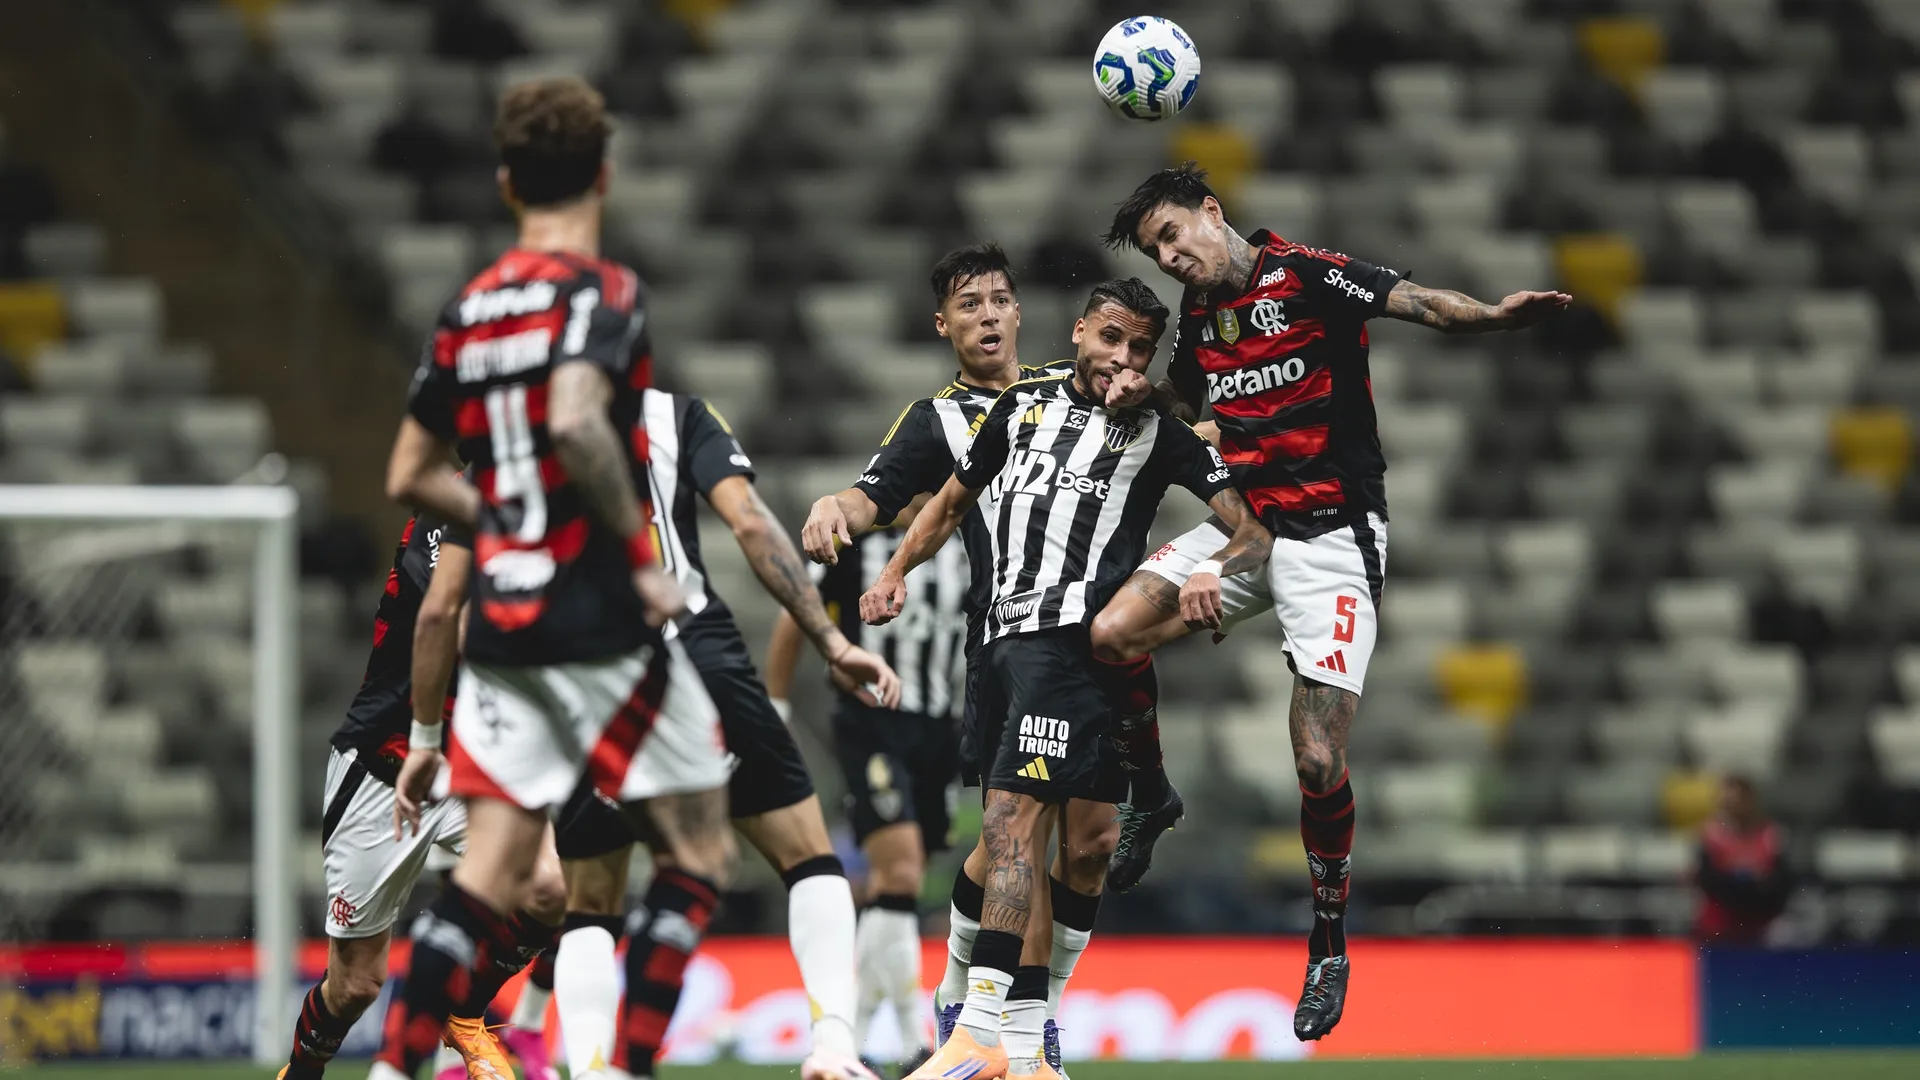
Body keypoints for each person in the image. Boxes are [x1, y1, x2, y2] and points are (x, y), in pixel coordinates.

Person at [1090, 163, 1573, 1039]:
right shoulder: (1199, 322)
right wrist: (1142, 391)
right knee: (1113, 634)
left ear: (1212, 211)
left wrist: (1496, 317)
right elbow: (1192, 412)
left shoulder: (1307, 273)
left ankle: (1327, 944)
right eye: (1158, 252)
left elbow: (1419, 303)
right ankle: (1151, 796)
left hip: (1331, 536)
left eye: (1174, 235)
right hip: (1248, 528)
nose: (1172, 258)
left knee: (1316, 760)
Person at [376, 76, 736, 1080]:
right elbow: (579, 420)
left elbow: (407, 474)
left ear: (505, 182)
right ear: (606, 175)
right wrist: (634, 557)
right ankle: (619, 1070)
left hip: (503, 624)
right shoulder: (604, 291)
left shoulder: (471, 307)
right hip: (596, 617)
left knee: (485, 875)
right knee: (700, 850)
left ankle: (388, 1070)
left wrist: (507, 519)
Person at [862, 279, 1271, 1080]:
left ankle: (989, 1032)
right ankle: (1013, 1044)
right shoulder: (1018, 406)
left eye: (1139, 350)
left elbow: (1252, 529)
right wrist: (897, 571)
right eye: (1110, 338)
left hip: (1070, 648)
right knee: (1067, 842)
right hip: (997, 649)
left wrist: (1214, 573)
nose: (1121, 359)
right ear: (1079, 330)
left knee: (1028, 829)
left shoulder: (1163, 431)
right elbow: (948, 502)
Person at [800, 245, 1159, 1075]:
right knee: (1018, 838)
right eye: (970, 305)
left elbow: (1170, 428)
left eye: (1000, 299)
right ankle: (1005, 1027)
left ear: (1024, 314)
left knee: (1093, 841)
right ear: (944, 325)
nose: (989, 315)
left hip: (1096, 645)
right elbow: (876, 494)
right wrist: (834, 506)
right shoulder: (937, 420)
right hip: (1007, 646)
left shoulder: (1073, 387)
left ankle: (985, 1006)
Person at [498, 387, 900, 1080]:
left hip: (583, 673)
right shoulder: (675, 414)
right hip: (692, 650)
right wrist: (832, 642)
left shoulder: (522, 425)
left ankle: (594, 1068)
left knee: (593, 897)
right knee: (806, 855)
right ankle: (833, 1044)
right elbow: (748, 523)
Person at [281, 515, 566, 1080]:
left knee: (551, 886)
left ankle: (463, 1012)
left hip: (471, 767)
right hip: (386, 767)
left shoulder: (541, 517)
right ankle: (301, 1073)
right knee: (355, 986)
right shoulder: (442, 523)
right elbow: (457, 622)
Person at [766, 491, 970, 1071]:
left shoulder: (966, 546)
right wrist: (776, 708)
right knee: (900, 868)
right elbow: (795, 611)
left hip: (940, 729)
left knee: (896, 887)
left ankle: (848, 1038)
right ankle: (913, 1043)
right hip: (870, 722)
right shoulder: (855, 548)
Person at [1694, 775, 1789, 944]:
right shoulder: (1712, 834)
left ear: (1750, 801)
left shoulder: (1770, 834)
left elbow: (1782, 878)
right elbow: (1707, 879)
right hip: (1720, 922)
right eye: (1727, 802)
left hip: (1762, 921)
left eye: (1738, 801)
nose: (1733, 807)